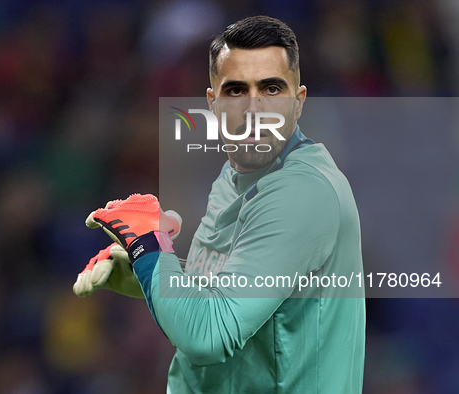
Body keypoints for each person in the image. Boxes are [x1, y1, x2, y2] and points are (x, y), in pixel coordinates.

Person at [75, 15, 365, 393]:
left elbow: (208, 336)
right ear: (213, 104)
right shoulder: (238, 173)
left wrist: (148, 243)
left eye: (272, 89)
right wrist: (150, 272)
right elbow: (230, 288)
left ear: (299, 102)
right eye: (236, 90)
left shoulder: (301, 193)